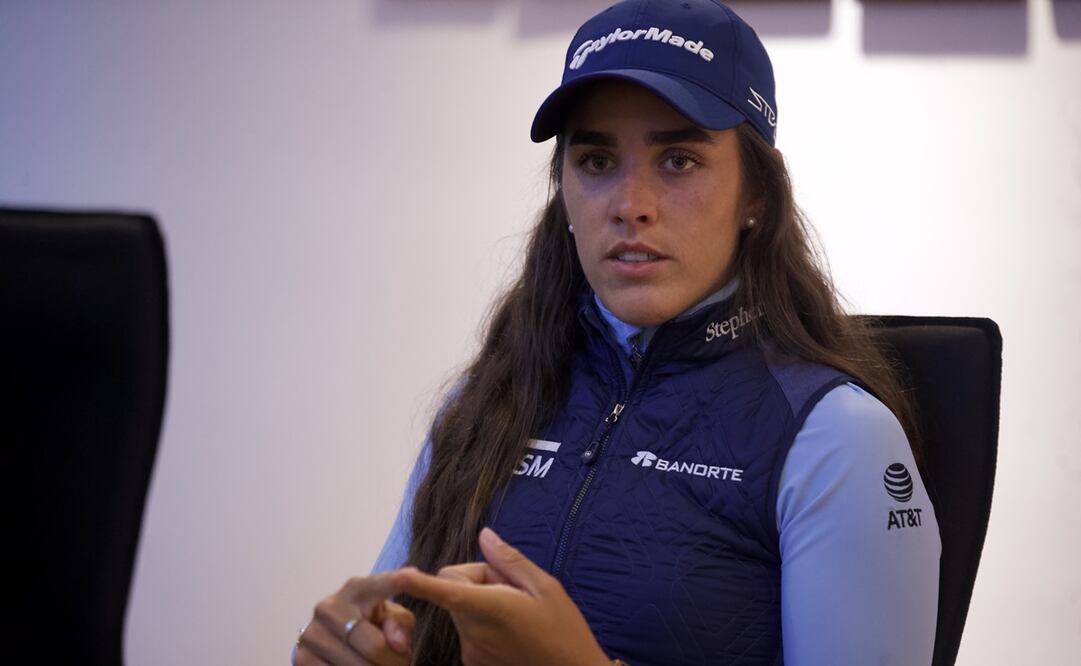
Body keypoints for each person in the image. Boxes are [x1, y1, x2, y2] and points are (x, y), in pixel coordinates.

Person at [293, 1, 941, 664]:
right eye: (596, 161)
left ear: (757, 194)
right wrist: (354, 647)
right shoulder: (482, 402)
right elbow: (398, 623)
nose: (630, 204)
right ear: (563, 192)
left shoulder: (835, 436)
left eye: (678, 161)